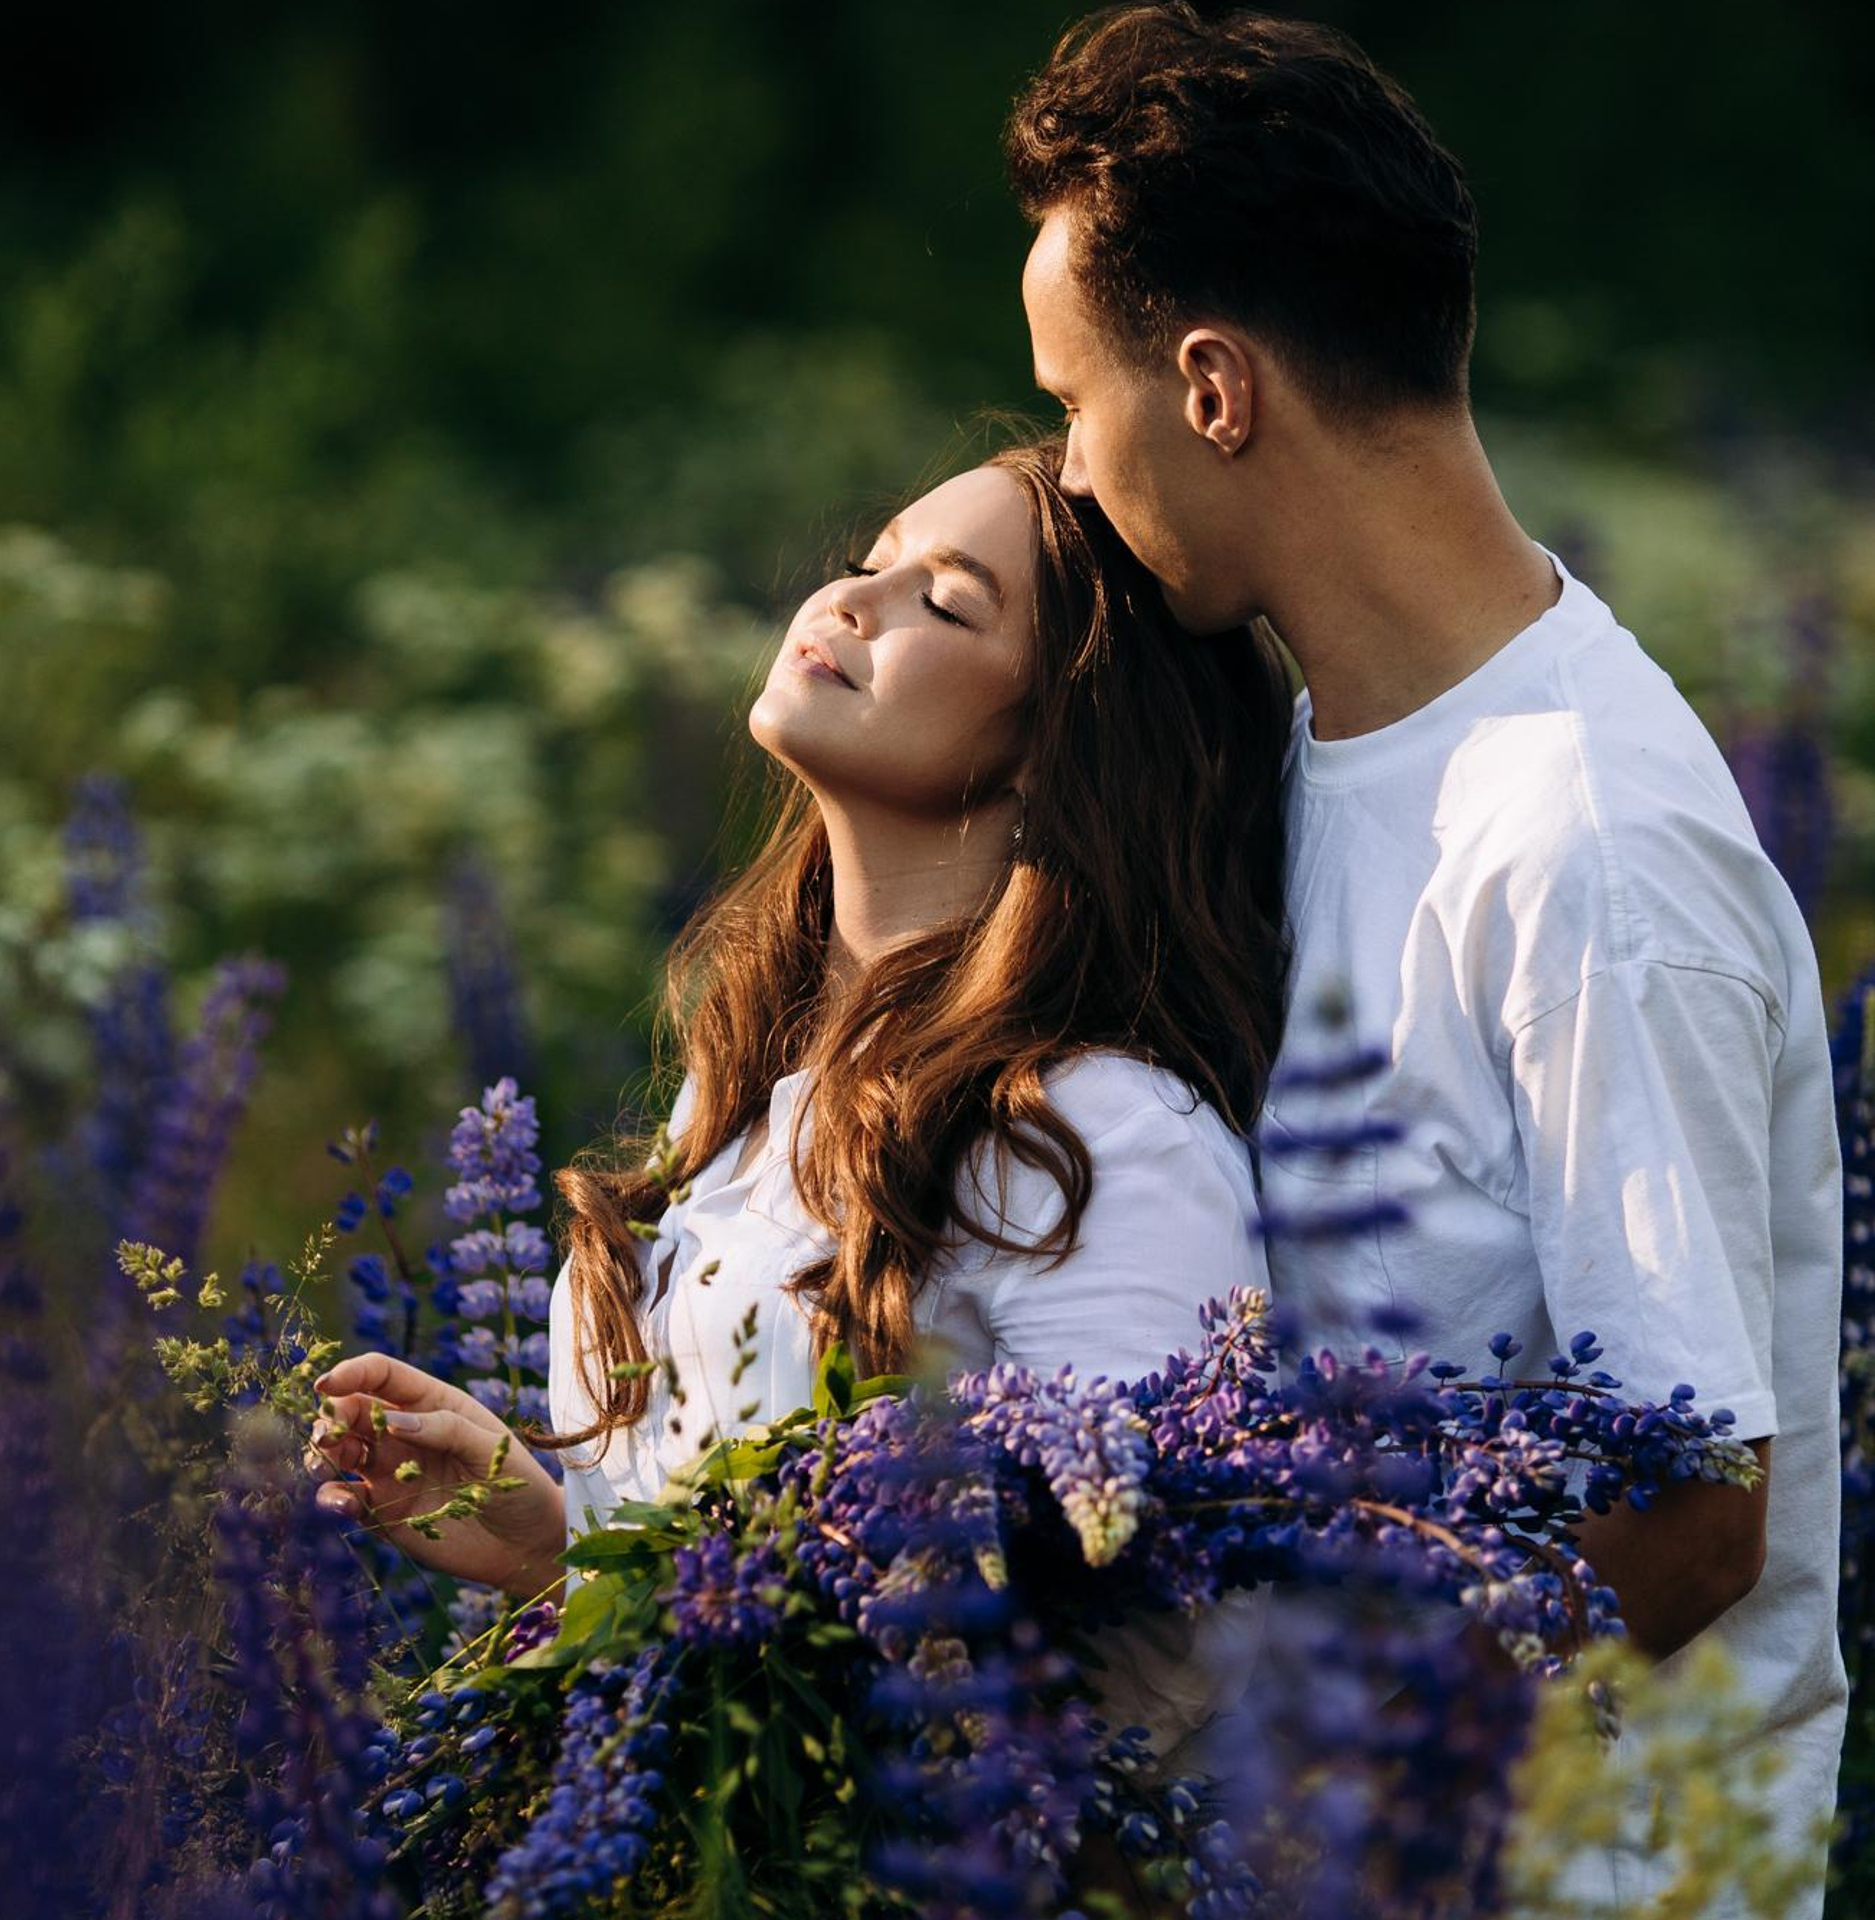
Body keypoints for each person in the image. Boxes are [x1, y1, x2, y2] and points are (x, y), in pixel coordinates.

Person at [1005, 5, 1846, 1913]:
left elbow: (1699, 1514)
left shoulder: (1590, 847)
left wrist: (1301, 1786)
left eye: (1075, 400)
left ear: (1213, 386)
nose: (1067, 471)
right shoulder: (1332, 746)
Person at [308, 435, 1293, 1798]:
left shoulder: (1097, 1131)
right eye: (865, 565)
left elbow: (1164, 1650)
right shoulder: (737, 1098)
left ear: (1057, 749)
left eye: (944, 603)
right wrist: (551, 1539)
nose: (850, 602)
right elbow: (702, 1620)